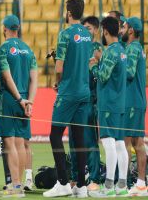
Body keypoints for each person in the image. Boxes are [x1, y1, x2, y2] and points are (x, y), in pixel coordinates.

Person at [44, 0, 91, 198]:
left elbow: (60, 66)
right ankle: (81, 185)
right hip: (84, 92)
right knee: (79, 138)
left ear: (69, 13)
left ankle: (63, 182)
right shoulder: (88, 35)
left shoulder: (65, 34)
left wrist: (58, 81)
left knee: (55, 135)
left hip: (68, 92)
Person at [0, 15, 37, 197]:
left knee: (9, 143)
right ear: (18, 29)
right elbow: (34, 79)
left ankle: (16, 186)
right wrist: (29, 101)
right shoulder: (29, 50)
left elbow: (6, 76)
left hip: (10, 98)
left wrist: (19, 99)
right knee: (20, 143)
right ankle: (18, 186)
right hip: (26, 99)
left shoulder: (3, 49)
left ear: (5, 28)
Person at [89, 16, 129, 197]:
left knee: (108, 143)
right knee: (120, 143)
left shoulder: (112, 51)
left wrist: (94, 65)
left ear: (105, 31)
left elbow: (103, 76)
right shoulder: (121, 50)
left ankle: (108, 186)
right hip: (120, 103)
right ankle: (122, 186)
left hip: (108, 103)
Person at [68, 16, 102, 191]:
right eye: (84, 28)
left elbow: (100, 77)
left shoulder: (97, 49)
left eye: (88, 28)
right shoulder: (81, 47)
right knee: (73, 141)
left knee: (88, 141)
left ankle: (95, 178)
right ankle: (75, 178)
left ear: (96, 30)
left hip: (88, 100)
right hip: (74, 97)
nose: (85, 31)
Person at [120, 17, 147, 196]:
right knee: (138, 143)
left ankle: (125, 183)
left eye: (124, 26)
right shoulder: (139, 49)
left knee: (126, 143)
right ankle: (140, 184)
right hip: (138, 100)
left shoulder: (131, 49)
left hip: (131, 101)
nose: (121, 29)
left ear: (131, 31)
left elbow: (128, 73)